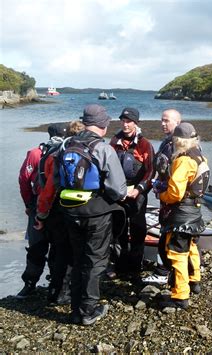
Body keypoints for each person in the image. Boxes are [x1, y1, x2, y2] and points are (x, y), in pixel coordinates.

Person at [57, 104, 127, 325]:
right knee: (95, 261)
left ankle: (76, 309)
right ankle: (88, 310)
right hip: (96, 214)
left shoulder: (66, 145)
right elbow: (118, 189)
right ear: (103, 125)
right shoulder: (104, 149)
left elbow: (56, 180)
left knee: (78, 259)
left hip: (69, 211)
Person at [156, 122, 210, 309]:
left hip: (181, 214)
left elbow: (175, 194)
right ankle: (194, 281)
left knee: (176, 252)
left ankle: (180, 295)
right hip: (195, 210)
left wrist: (160, 194)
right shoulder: (201, 157)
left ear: (177, 141)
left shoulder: (183, 160)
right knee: (191, 246)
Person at [35, 120, 85, 305]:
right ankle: (64, 292)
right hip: (75, 211)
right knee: (71, 253)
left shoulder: (52, 153)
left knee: (59, 251)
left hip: (56, 211)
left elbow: (47, 189)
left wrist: (41, 214)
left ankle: (55, 290)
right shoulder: (77, 154)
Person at [16, 122, 68, 299]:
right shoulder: (68, 152)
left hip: (39, 205)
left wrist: (29, 204)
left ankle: (30, 285)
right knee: (58, 247)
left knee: (37, 247)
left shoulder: (35, 153)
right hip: (59, 207)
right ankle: (56, 285)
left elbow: (24, 180)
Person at [109, 107, 155, 277]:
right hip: (119, 193)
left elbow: (151, 172)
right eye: (123, 121)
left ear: (136, 123)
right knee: (118, 228)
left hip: (137, 193)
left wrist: (139, 190)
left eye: (129, 122)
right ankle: (119, 265)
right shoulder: (114, 141)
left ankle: (135, 267)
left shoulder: (145, 144)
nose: (125, 125)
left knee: (137, 228)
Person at [142, 109, 181, 285]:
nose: (162, 124)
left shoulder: (181, 146)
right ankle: (170, 270)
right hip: (166, 198)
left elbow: (180, 177)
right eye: (161, 120)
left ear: (177, 122)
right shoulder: (167, 142)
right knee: (167, 232)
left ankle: (163, 272)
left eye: (167, 121)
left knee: (171, 235)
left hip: (175, 200)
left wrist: (162, 188)